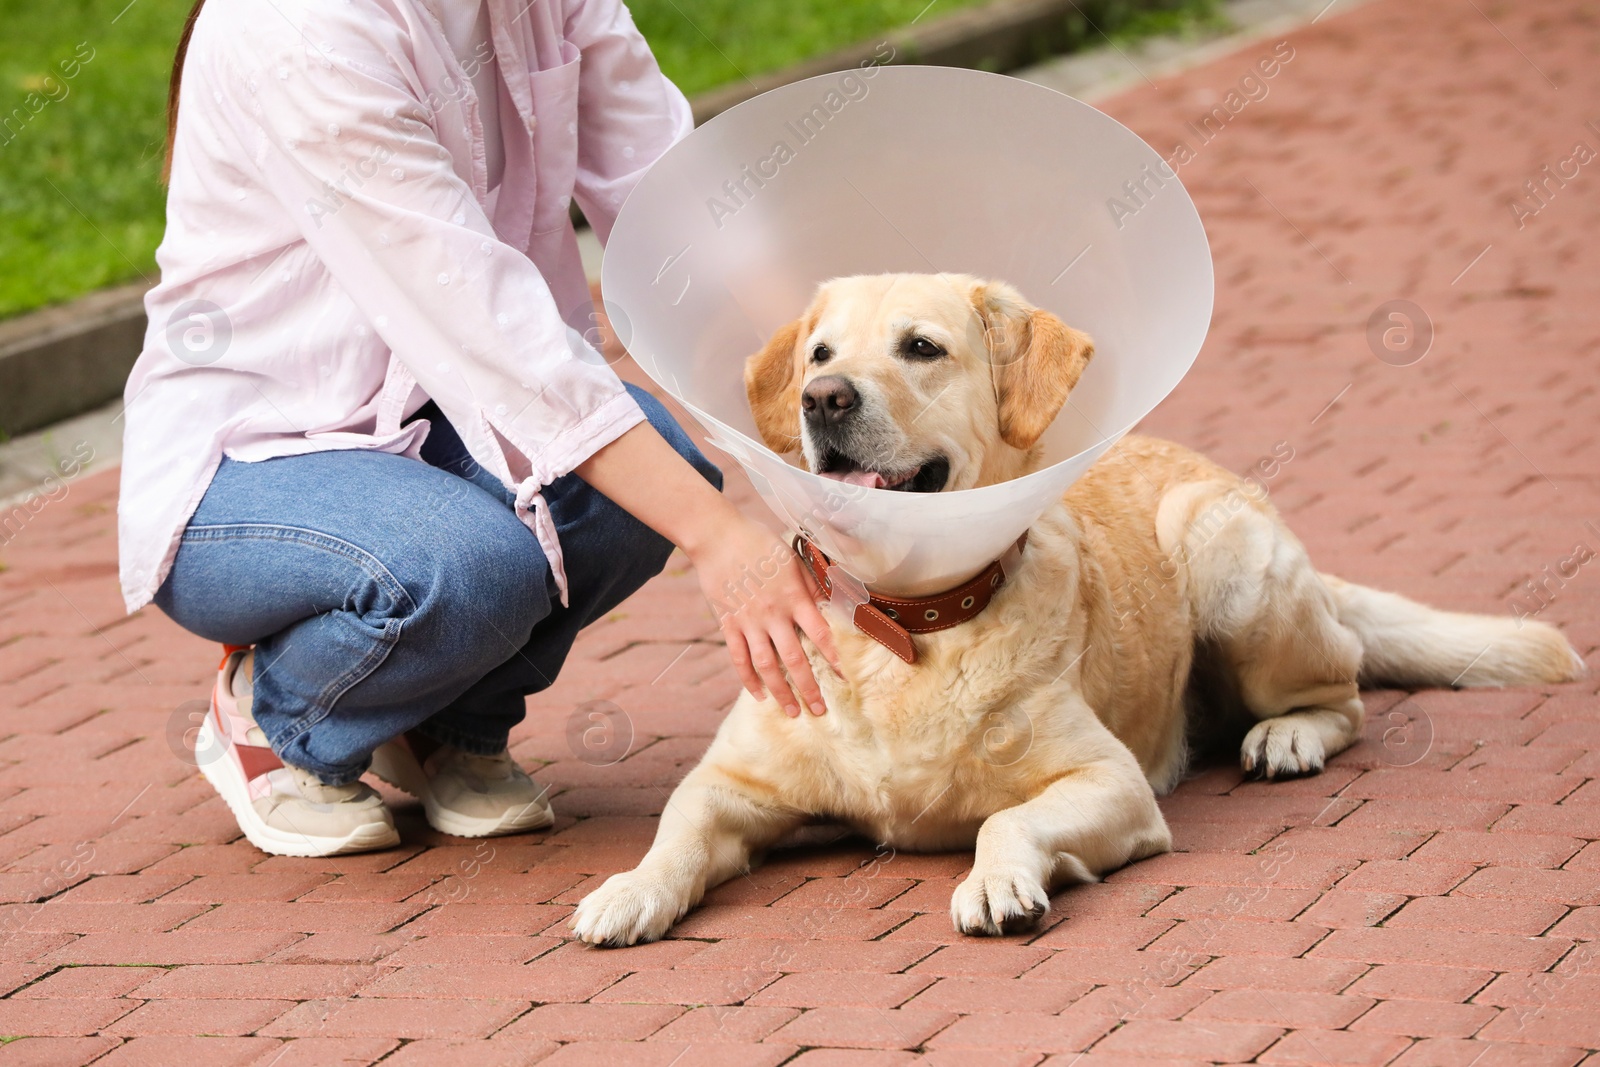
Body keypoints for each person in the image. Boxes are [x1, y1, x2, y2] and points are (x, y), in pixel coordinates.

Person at [117, 0, 838, 858]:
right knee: (471, 563)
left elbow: (682, 206)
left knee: (642, 481)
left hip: (439, 416)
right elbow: (490, 331)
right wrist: (720, 539)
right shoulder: (298, 29)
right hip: (250, 460)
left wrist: (837, 393)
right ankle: (277, 712)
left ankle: (444, 725)